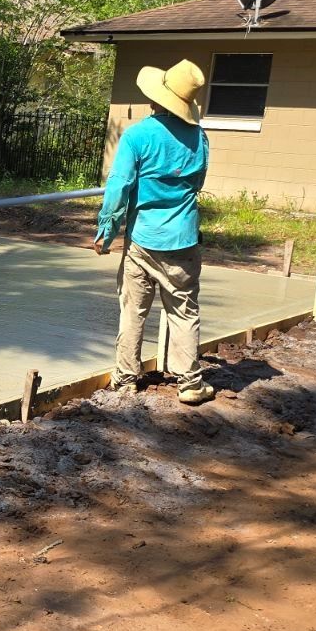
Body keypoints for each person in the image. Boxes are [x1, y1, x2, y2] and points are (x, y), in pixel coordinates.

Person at [93, 58, 215, 406]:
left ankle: (125, 379)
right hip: (183, 240)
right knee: (184, 310)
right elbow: (197, 184)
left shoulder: (137, 136)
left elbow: (119, 186)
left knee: (133, 310)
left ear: (155, 98)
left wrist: (107, 230)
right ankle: (190, 383)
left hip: (143, 240)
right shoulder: (200, 138)